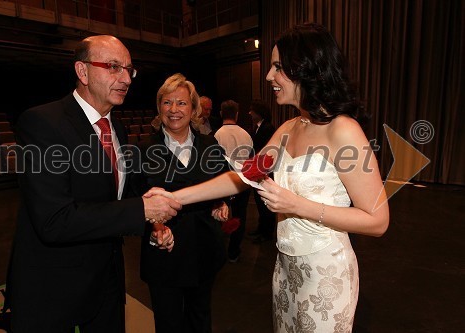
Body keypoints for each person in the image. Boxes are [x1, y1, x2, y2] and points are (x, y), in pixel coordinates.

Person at [148, 23, 390, 332]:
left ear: (303, 68)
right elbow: (244, 176)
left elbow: (378, 220)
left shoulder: (344, 130)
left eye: (277, 67)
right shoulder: (290, 128)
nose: (268, 76)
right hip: (286, 270)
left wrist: (298, 205)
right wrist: (173, 198)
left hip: (326, 274)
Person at [3, 35, 181, 333]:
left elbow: (117, 195)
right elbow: (54, 220)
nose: (125, 78)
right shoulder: (42, 123)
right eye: (113, 67)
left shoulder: (116, 128)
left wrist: (155, 222)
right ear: (82, 72)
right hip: (53, 290)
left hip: (107, 285)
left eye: (129, 70)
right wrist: (143, 210)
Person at [131, 73, 229, 333]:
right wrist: (154, 225)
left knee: (200, 319)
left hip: (204, 252)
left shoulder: (210, 145)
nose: (174, 109)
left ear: (194, 109)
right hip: (164, 256)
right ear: (159, 107)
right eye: (167, 102)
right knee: (168, 324)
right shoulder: (142, 149)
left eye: (182, 103)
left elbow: (227, 182)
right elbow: (133, 202)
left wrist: (222, 202)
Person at [214, 99, 253, 262]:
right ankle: (234, 251)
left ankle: (219, 251)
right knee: (240, 216)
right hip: (243, 182)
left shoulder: (217, 135)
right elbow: (251, 160)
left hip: (223, 182)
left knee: (219, 216)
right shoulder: (246, 134)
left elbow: (214, 163)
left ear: (221, 114)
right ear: (237, 114)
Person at [247, 99, 277, 243]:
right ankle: (261, 227)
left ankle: (267, 233)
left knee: (266, 203)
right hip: (258, 171)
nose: (250, 113)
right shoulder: (257, 127)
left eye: (252, 110)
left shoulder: (268, 128)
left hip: (265, 172)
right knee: (260, 202)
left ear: (259, 112)